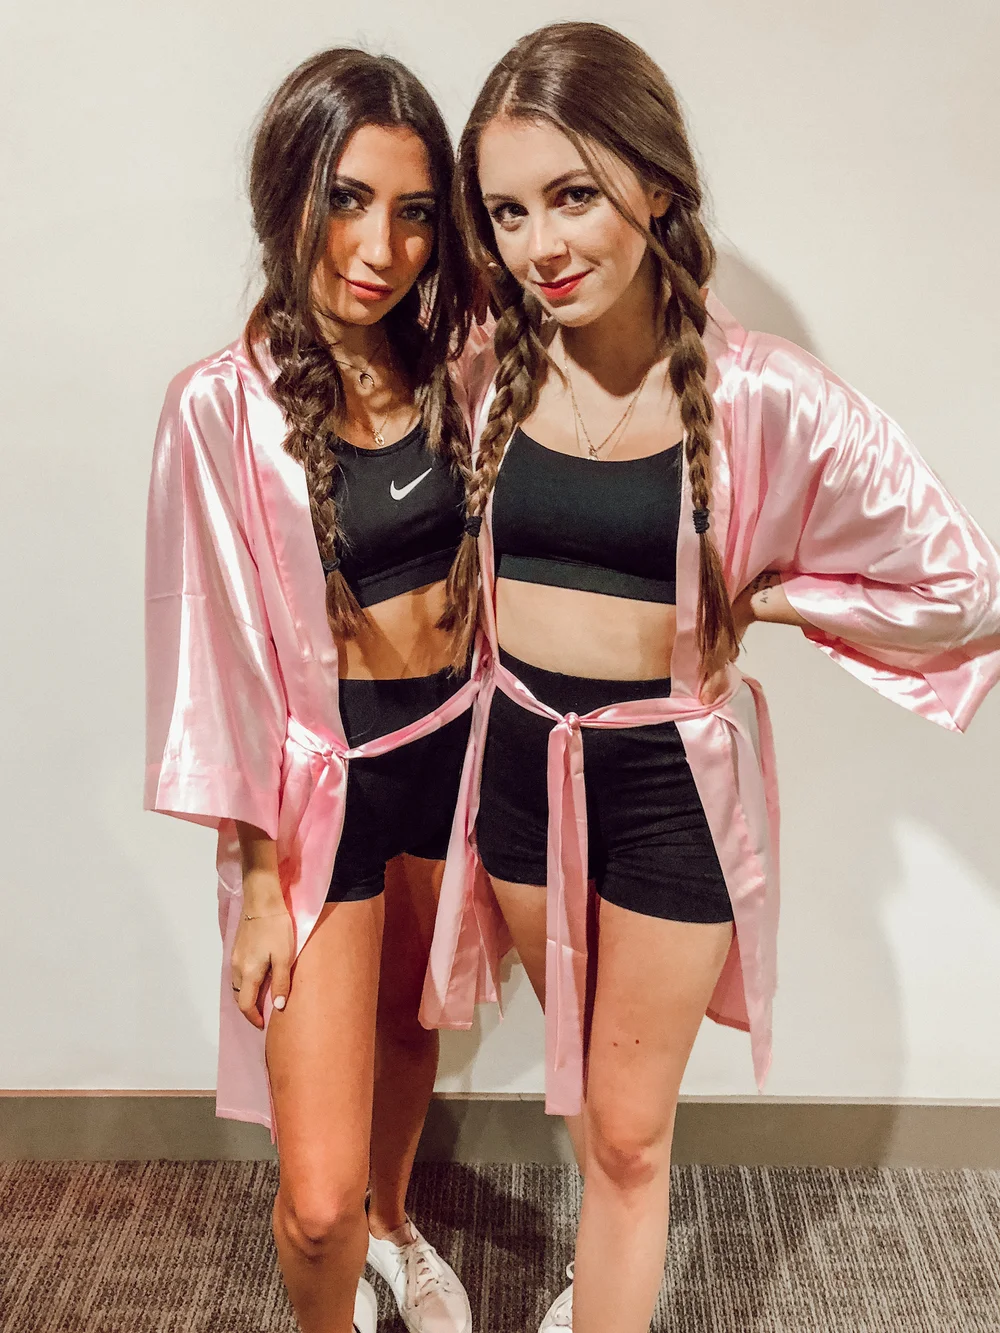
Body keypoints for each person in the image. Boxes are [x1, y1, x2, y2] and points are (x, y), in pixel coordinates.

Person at [418, 21, 1000, 1333]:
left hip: (667, 788)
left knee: (632, 1134)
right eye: (508, 212)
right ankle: (606, 1273)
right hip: (518, 768)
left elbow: (967, 586)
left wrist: (777, 594)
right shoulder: (485, 367)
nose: (541, 245)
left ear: (655, 182)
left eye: (574, 194)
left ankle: (611, 1284)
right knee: (588, 1095)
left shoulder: (766, 397)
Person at [145, 48, 491, 1333]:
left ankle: (396, 1227)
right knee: (311, 1200)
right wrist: (255, 881)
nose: (378, 248)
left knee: (410, 1019)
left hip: (452, 754)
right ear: (286, 191)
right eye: (347, 199)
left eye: (413, 212)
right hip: (318, 789)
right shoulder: (216, 409)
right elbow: (216, 658)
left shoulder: (462, 364)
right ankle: (342, 1269)